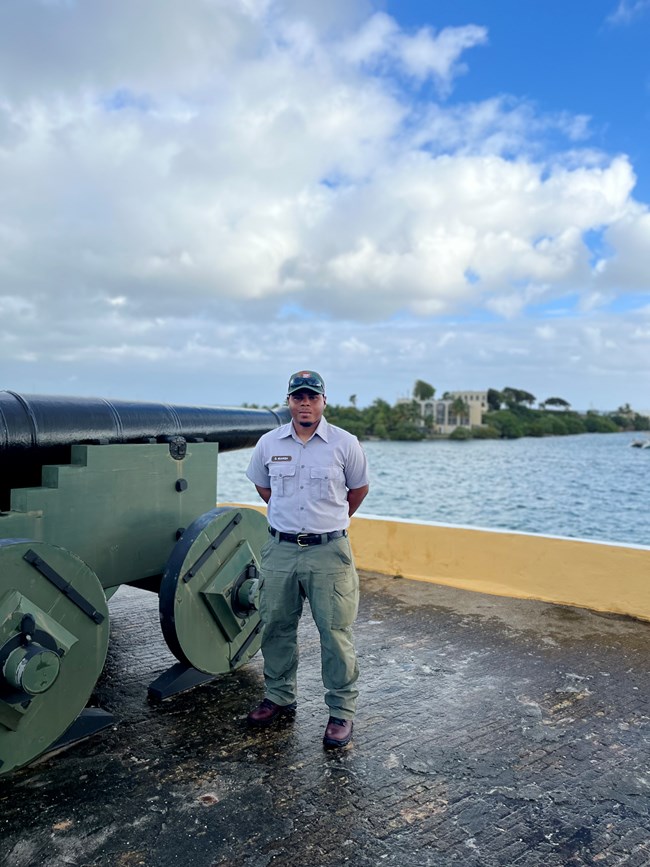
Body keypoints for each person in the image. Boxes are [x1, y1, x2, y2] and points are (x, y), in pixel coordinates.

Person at [245, 370, 369, 749]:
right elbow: (263, 485)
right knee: (275, 625)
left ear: (323, 402)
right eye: (298, 397)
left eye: (312, 397)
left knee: (334, 632)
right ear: (289, 402)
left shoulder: (344, 444)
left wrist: (326, 523)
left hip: (328, 551)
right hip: (280, 549)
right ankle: (279, 696)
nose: (305, 404)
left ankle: (340, 712)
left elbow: (358, 489)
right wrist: (289, 520)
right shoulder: (269, 443)